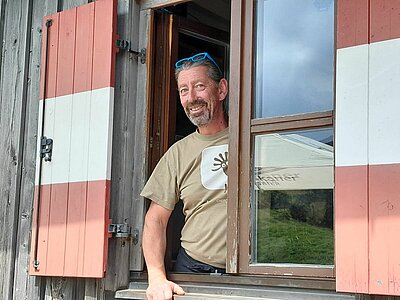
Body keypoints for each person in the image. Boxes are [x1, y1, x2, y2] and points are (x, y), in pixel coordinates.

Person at [141, 52, 229, 300]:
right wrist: (157, 277)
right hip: (193, 270)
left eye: (199, 87)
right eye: (183, 90)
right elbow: (155, 220)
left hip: (252, 273)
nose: (192, 98)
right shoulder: (177, 153)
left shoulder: (251, 138)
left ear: (221, 90)